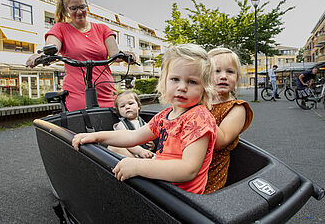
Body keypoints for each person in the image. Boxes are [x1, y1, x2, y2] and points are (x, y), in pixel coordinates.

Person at [72, 44, 217, 194]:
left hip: (180, 197)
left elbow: (188, 170)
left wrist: (138, 166)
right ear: (164, 82)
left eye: (192, 82)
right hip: (162, 184)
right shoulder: (164, 116)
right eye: (175, 79)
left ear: (205, 88)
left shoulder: (199, 117)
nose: (182, 87)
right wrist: (96, 136)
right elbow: (133, 136)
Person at [26, 0, 119, 111]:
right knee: (81, 125)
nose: (79, 12)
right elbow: (53, 47)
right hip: (78, 92)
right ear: (66, 9)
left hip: (107, 91)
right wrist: (42, 55)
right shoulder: (60, 28)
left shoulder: (102, 29)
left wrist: (128, 55)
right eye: (73, 8)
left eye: (82, 7)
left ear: (87, 6)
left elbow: (116, 55)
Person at [204, 48, 253, 194]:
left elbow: (220, 141)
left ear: (237, 78)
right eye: (216, 71)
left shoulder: (237, 108)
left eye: (230, 72)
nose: (223, 76)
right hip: (187, 163)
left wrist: (200, 110)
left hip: (211, 173)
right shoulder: (200, 101)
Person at [108, 91, 155, 158]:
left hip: (146, 153)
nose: (127, 107)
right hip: (132, 155)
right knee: (113, 147)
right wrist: (140, 151)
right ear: (118, 111)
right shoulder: (121, 125)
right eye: (122, 106)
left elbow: (149, 137)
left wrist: (152, 145)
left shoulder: (144, 123)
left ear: (138, 106)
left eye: (130, 103)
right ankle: (137, 163)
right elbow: (125, 142)